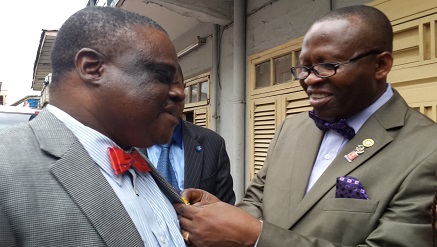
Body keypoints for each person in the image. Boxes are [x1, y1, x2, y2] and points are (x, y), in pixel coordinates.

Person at [174, 5, 437, 246]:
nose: (309, 80)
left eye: (326, 66)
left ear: (381, 65)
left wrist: (254, 237)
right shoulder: (291, 128)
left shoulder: (428, 149)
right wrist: (224, 218)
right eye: (304, 67)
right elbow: (255, 201)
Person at [0, 6, 187, 246]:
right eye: (162, 75)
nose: (180, 93)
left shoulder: (137, 158)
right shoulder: (7, 170)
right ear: (91, 67)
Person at [143, 65, 236, 204]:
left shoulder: (213, 144)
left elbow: (226, 208)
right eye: (158, 84)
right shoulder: (122, 144)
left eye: (176, 84)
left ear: (183, 88)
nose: (172, 93)